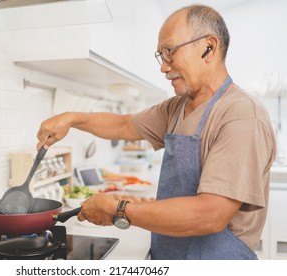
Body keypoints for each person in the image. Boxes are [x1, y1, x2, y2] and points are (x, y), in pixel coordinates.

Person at [36, 4, 276, 260]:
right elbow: (125, 124)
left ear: (209, 47)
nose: (164, 67)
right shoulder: (177, 107)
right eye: (161, 55)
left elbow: (211, 214)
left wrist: (118, 209)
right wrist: (72, 118)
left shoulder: (241, 114)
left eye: (170, 52)